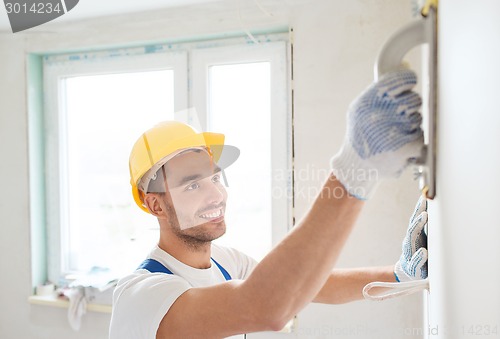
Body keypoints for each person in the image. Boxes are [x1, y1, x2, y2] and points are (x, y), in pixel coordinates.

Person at [109, 69, 428, 339]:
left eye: (215, 179)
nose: (217, 196)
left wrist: (398, 276)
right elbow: (264, 306)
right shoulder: (140, 296)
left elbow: (306, 283)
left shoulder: (225, 262)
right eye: (192, 185)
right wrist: (355, 168)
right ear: (156, 205)